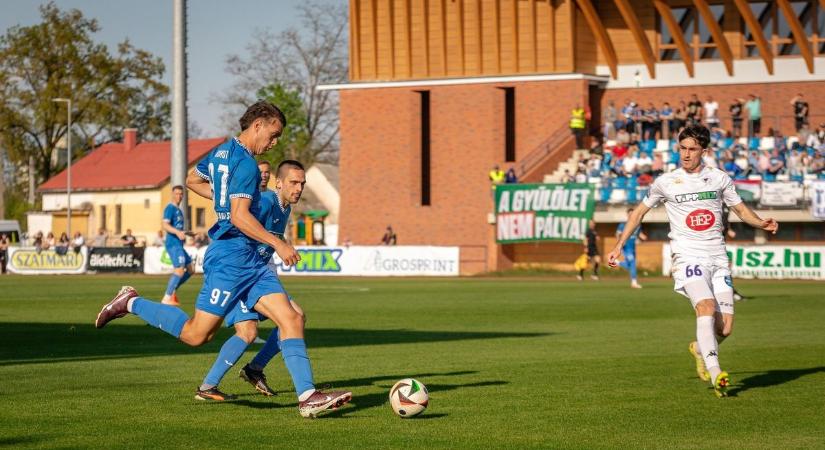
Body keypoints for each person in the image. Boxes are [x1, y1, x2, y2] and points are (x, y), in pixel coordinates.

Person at [94, 101, 351, 417]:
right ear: (257, 125)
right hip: (230, 257)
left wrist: (223, 199)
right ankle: (130, 301)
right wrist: (278, 243)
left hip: (250, 260)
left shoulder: (221, 153)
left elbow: (192, 179)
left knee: (293, 318)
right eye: (272, 135)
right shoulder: (244, 164)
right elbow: (241, 217)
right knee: (196, 335)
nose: (273, 144)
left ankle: (308, 396)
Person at [607, 125, 779, 398]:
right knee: (706, 306)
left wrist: (761, 222)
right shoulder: (666, 181)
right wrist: (618, 245)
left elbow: (741, 209)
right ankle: (716, 373)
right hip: (687, 257)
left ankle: (700, 349)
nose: (686, 155)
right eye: (682, 149)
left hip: (718, 258)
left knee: (726, 327)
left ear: (704, 151)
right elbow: (638, 212)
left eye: (692, 149)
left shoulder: (719, 179)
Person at [235, 159, 310, 397]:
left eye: (302, 183)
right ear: (279, 183)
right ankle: (307, 394)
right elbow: (241, 225)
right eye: (294, 182)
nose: (299, 188)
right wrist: (276, 245)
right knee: (203, 332)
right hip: (246, 272)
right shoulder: (266, 201)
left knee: (297, 317)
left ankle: (254, 369)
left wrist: (279, 246)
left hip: (261, 272)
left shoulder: (284, 207)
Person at [160, 185, 194, 306]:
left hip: (179, 244)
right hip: (173, 244)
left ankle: (172, 289)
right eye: (177, 193)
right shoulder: (170, 208)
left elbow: (177, 228)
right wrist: (178, 232)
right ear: (172, 194)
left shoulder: (179, 211)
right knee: (179, 270)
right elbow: (165, 225)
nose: (179, 196)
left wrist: (187, 232)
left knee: (191, 269)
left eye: (181, 194)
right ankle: (166, 298)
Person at [615, 208, 647, 289]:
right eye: (630, 214)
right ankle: (634, 282)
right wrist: (619, 244)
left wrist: (643, 237)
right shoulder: (623, 225)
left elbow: (639, 234)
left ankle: (617, 263)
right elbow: (617, 234)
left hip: (633, 247)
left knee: (630, 264)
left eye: (632, 214)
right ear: (627, 215)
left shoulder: (638, 225)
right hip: (626, 247)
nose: (631, 215)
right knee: (632, 263)